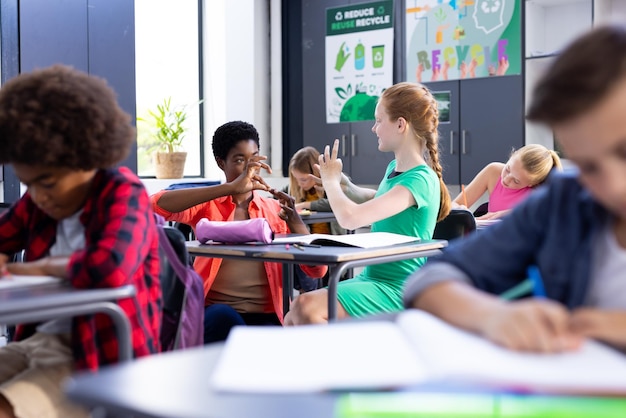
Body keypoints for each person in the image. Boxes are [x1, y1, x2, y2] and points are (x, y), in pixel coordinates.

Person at [403, 24, 626, 354]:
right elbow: (428, 280)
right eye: (588, 166)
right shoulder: (564, 202)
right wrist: (493, 316)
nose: (615, 185)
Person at [0, 65, 162, 418]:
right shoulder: (41, 201)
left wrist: (36, 268)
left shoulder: (124, 192)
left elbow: (110, 268)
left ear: (86, 157)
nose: (38, 196)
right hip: (37, 342)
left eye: (47, 182)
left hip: (99, 355)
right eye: (29, 185)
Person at [285, 82, 452, 325]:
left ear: (400, 124)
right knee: (293, 312)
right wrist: (343, 184)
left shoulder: (421, 179)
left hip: (397, 288)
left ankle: (356, 360)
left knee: (305, 307)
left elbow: (350, 218)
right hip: (372, 278)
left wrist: (331, 184)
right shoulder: (395, 169)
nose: (374, 128)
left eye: (378, 120)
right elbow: (375, 199)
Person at [150, 121, 327, 343]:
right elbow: (152, 205)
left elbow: (316, 272)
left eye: (254, 158)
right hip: (216, 312)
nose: (250, 168)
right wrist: (230, 188)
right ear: (221, 162)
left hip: (267, 315)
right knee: (224, 319)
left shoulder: (273, 210)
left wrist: (297, 224)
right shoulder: (208, 205)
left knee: (275, 339)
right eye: (240, 160)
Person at [283, 146, 346, 292]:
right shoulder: (294, 187)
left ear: (315, 173)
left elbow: (335, 202)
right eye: (297, 179)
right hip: (310, 247)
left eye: (304, 179)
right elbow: (278, 199)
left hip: (331, 245)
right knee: (300, 266)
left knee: (329, 287)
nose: (300, 184)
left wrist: (305, 204)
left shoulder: (333, 183)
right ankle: (305, 296)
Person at [454, 144, 562, 220]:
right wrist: (460, 209)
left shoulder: (540, 193)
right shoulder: (493, 171)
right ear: (512, 156)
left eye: (516, 181)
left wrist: (510, 214)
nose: (505, 180)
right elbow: (453, 205)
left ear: (532, 184)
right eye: (507, 169)